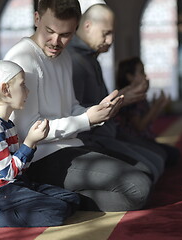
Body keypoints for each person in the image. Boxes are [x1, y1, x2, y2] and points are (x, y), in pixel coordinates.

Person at [4, 0, 152, 211]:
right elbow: (27, 131)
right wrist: (85, 120)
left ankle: (54, 196)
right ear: (37, 19)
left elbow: (71, 107)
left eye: (65, 35)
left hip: (71, 146)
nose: (56, 42)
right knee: (138, 189)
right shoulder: (23, 58)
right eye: (50, 31)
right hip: (38, 158)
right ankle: (43, 193)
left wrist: (97, 112)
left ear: (76, 29)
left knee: (146, 172)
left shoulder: (64, 57)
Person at [0, 60, 80, 227]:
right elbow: (8, 172)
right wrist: (30, 141)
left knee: (72, 200)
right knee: (56, 212)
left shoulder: (6, 124)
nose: (28, 91)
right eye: (23, 85)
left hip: (15, 183)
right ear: (5, 90)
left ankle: (17, 211)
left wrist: (30, 144)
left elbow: (19, 168)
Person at [67, 3, 167, 182]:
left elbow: (98, 102)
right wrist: (121, 98)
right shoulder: (74, 61)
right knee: (149, 172)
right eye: (106, 33)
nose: (111, 40)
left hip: (107, 134)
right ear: (87, 26)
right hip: (92, 141)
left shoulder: (91, 59)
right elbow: (74, 112)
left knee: (158, 162)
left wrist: (122, 96)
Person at [116, 57, 180, 167]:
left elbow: (148, 121)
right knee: (169, 155)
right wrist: (155, 107)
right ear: (129, 77)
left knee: (172, 153)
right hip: (133, 141)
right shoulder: (130, 98)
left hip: (144, 139)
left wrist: (158, 106)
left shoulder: (140, 96)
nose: (145, 75)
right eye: (141, 72)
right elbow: (140, 126)